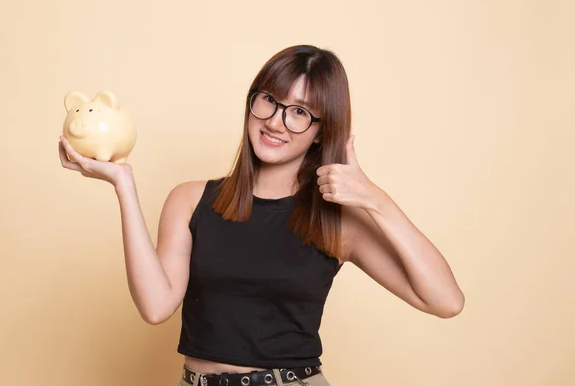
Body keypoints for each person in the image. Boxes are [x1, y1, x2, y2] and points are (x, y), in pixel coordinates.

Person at [58, 45, 465, 386]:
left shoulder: (335, 222)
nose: (275, 122)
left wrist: (377, 201)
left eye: (300, 112)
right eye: (269, 100)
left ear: (322, 130)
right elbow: (155, 306)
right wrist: (123, 186)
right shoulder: (190, 200)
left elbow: (446, 301)